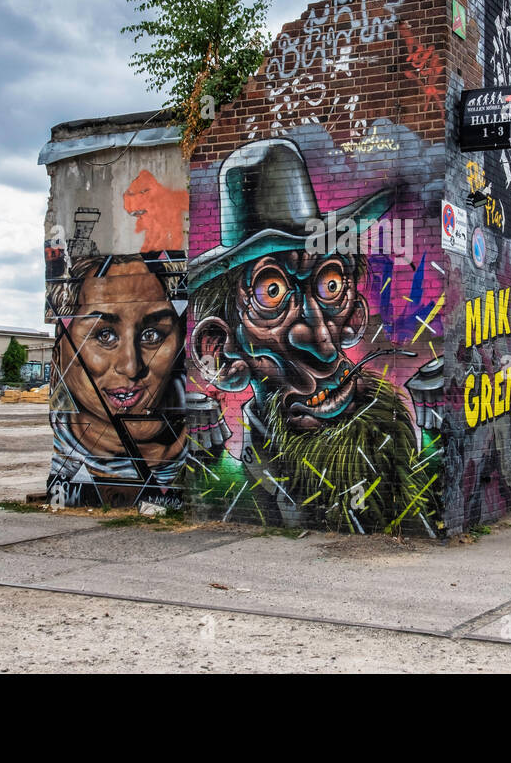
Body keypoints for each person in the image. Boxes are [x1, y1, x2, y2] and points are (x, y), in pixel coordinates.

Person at [188, 137, 439, 533]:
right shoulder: (223, 492)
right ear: (220, 354)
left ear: (355, 315)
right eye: (271, 293)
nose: (322, 341)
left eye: (331, 284)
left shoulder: (411, 470)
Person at [45, 252, 187, 510]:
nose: (132, 367)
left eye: (152, 334)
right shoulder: (69, 460)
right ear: (61, 346)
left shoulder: (212, 444)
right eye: (105, 335)